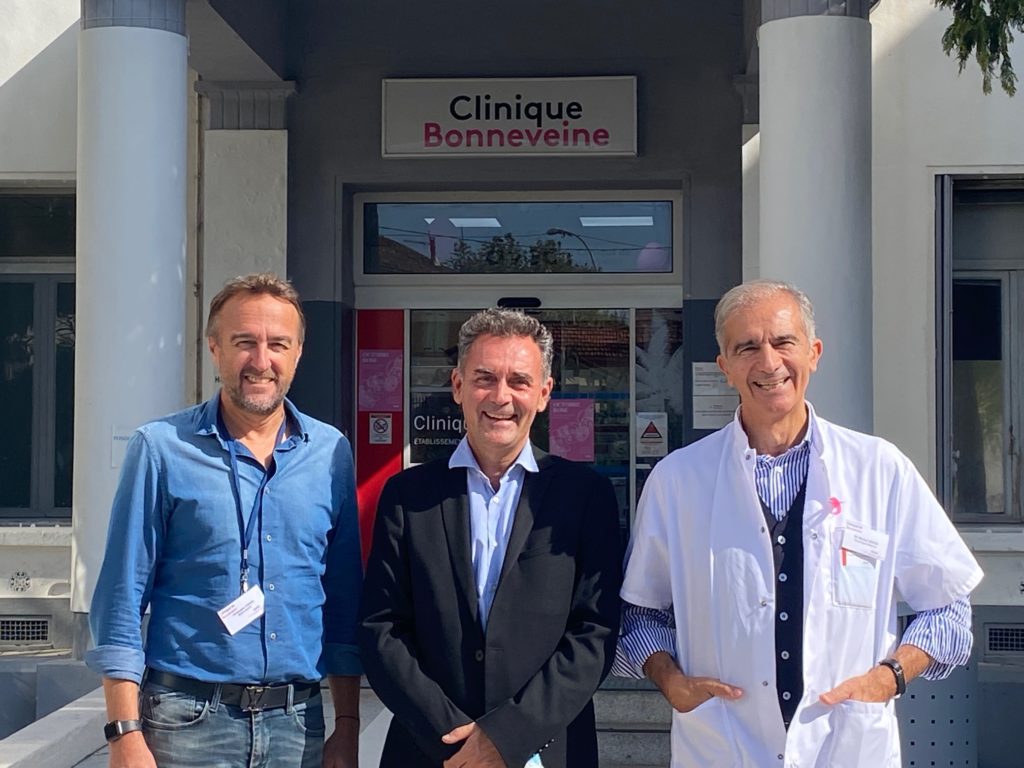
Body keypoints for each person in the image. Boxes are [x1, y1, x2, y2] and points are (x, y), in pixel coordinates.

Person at [615, 279, 983, 767]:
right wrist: (671, 682)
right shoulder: (677, 480)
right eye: (747, 347)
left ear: (814, 353)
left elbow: (948, 607)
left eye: (783, 342)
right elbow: (639, 612)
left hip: (848, 745)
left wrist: (890, 677)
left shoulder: (879, 469)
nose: (769, 363)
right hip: (721, 744)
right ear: (725, 367)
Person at [86, 273, 362, 768]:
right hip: (187, 723)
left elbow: (343, 601)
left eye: (278, 344)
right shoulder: (160, 449)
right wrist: (123, 733)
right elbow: (121, 599)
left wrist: (347, 725)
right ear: (214, 347)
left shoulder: (330, 453)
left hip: (298, 724)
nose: (261, 361)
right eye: (244, 342)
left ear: (298, 353)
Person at [359, 307, 622, 768]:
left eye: (519, 381)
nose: (501, 397)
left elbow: (594, 633)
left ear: (543, 393)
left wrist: (504, 737)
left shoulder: (586, 496)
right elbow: (381, 629)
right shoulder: (407, 496)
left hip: (546, 749)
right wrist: (455, 740)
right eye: (485, 378)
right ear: (458, 386)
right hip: (430, 750)